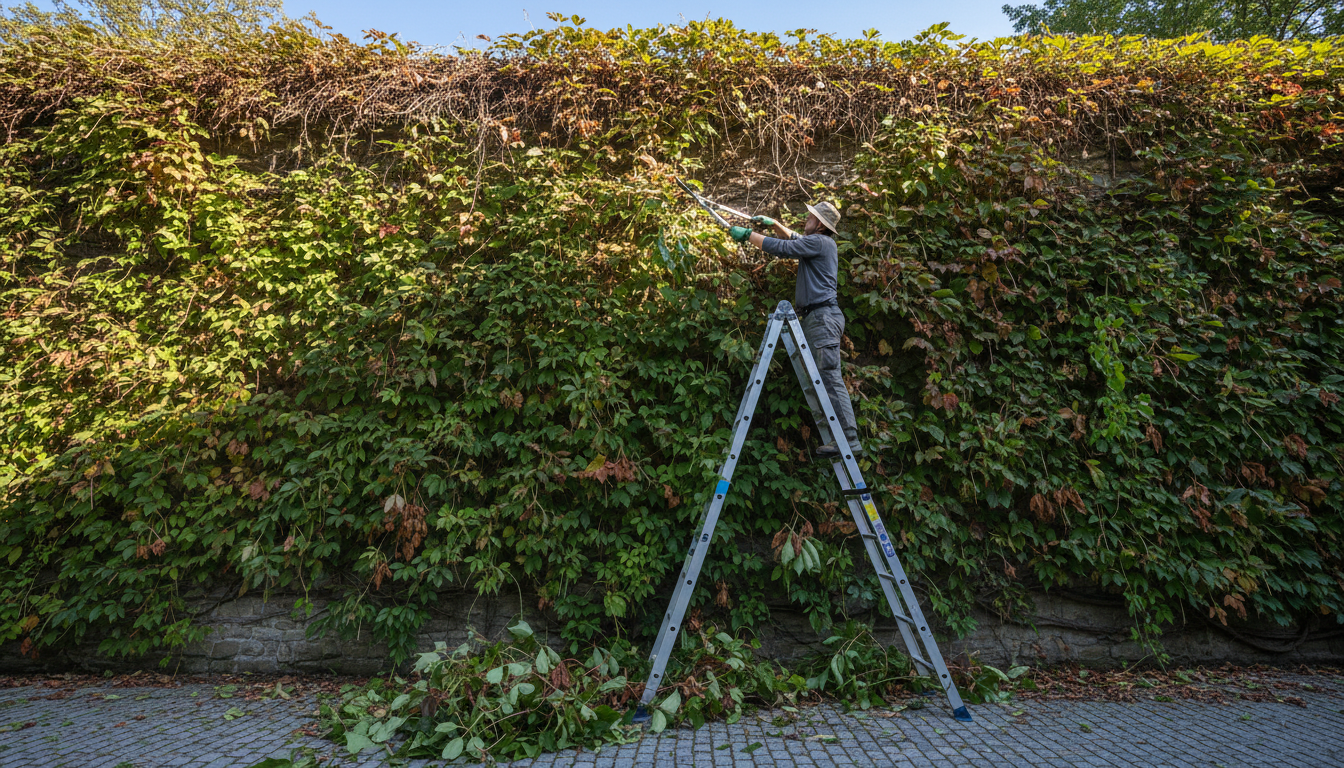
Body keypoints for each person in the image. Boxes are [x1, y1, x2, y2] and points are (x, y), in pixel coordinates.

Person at [728, 202, 861, 458]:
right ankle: (842, 438)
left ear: (820, 224)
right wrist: (774, 224)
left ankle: (849, 440)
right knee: (824, 376)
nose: (805, 220)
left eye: (810, 217)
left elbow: (784, 248)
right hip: (818, 317)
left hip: (822, 317)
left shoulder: (820, 242)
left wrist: (748, 236)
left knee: (829, 376)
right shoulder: (818, 243)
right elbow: (794, 239)